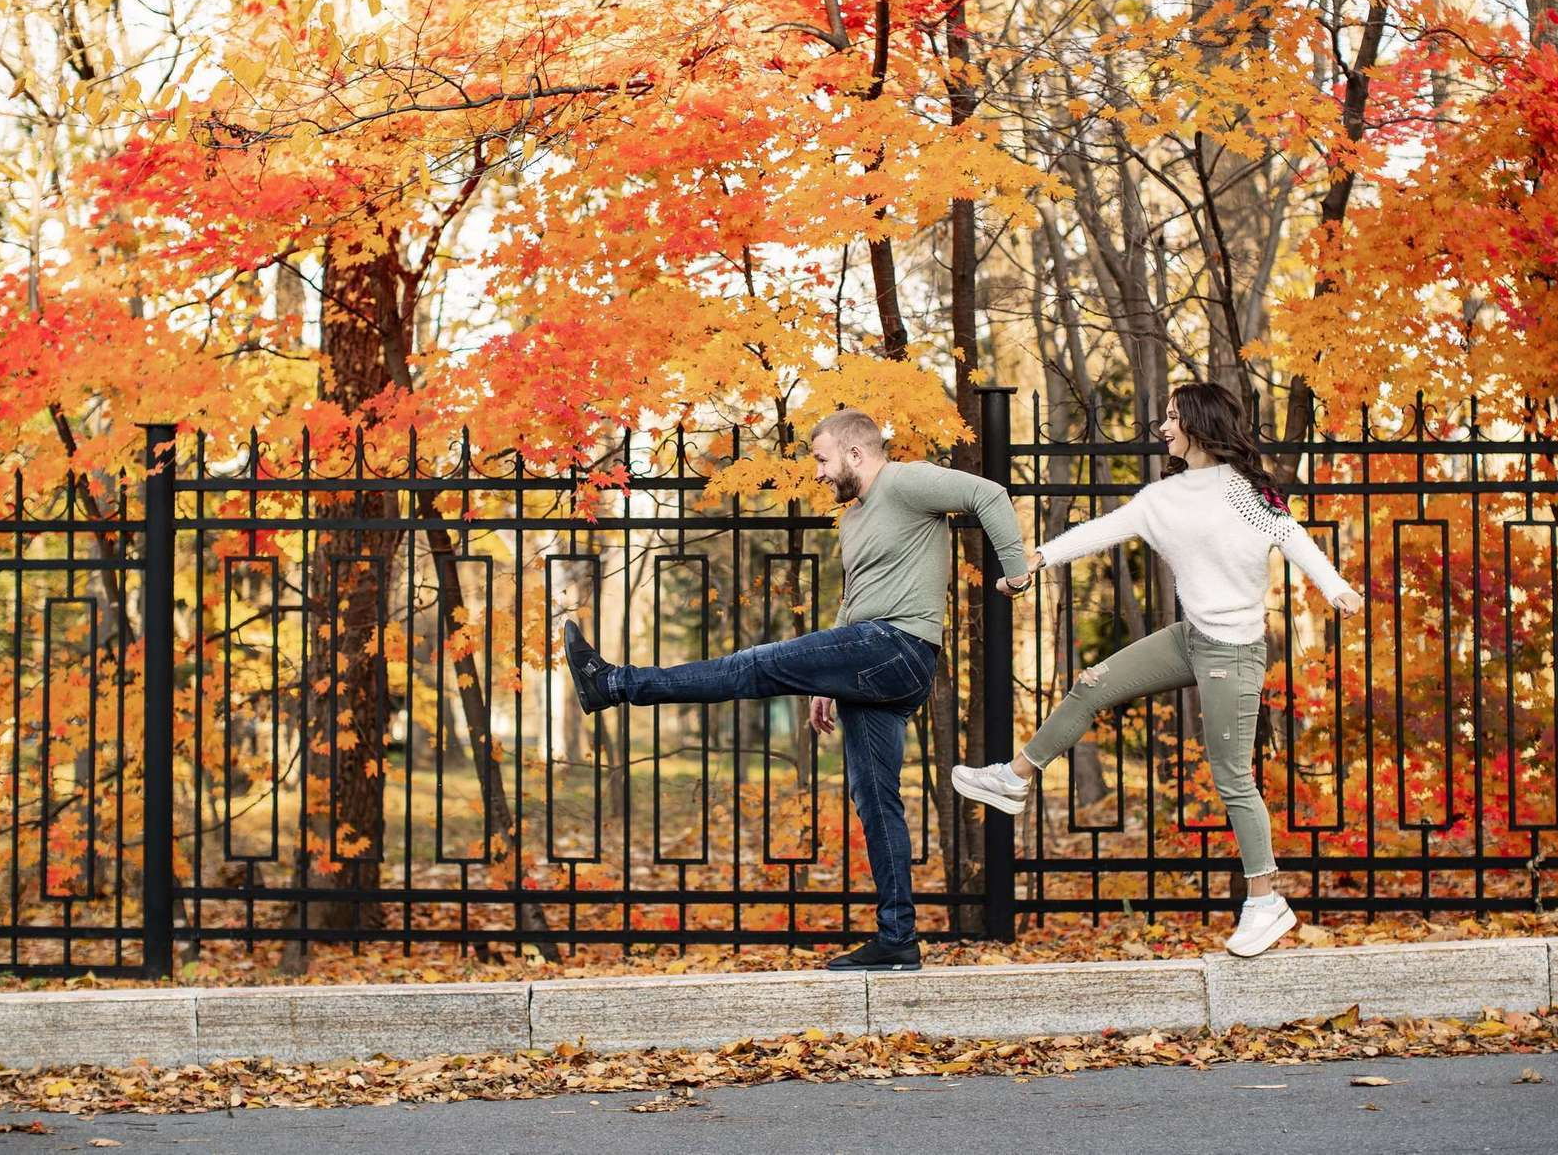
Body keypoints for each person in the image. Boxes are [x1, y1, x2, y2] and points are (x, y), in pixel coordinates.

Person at [562, 408, 1031, 971]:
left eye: (823, 459)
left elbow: (990, 493)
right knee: (876, 801)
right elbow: (856, 599)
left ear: (856, 453)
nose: (819, 473)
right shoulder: (855, 519)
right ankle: (898, 938)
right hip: (869, 658)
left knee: (753, 666)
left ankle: (614, 683)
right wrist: (825, 683)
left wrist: (1017, 571)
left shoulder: (907, 482)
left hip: (899, 647)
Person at [952, 382, 1363, 957]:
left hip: (1234, 651)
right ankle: (1013, 779)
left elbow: (1292, 539)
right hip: (1191, 638)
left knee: (1231, 778)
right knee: (1090, 685)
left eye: (1171, 418)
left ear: (1198, 424)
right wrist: (1037, 559)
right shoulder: (1162, 497)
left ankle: (1266, 900)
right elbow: (1101, 530)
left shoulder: (1246, 494)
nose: (1163, 428)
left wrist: (1337, 587)